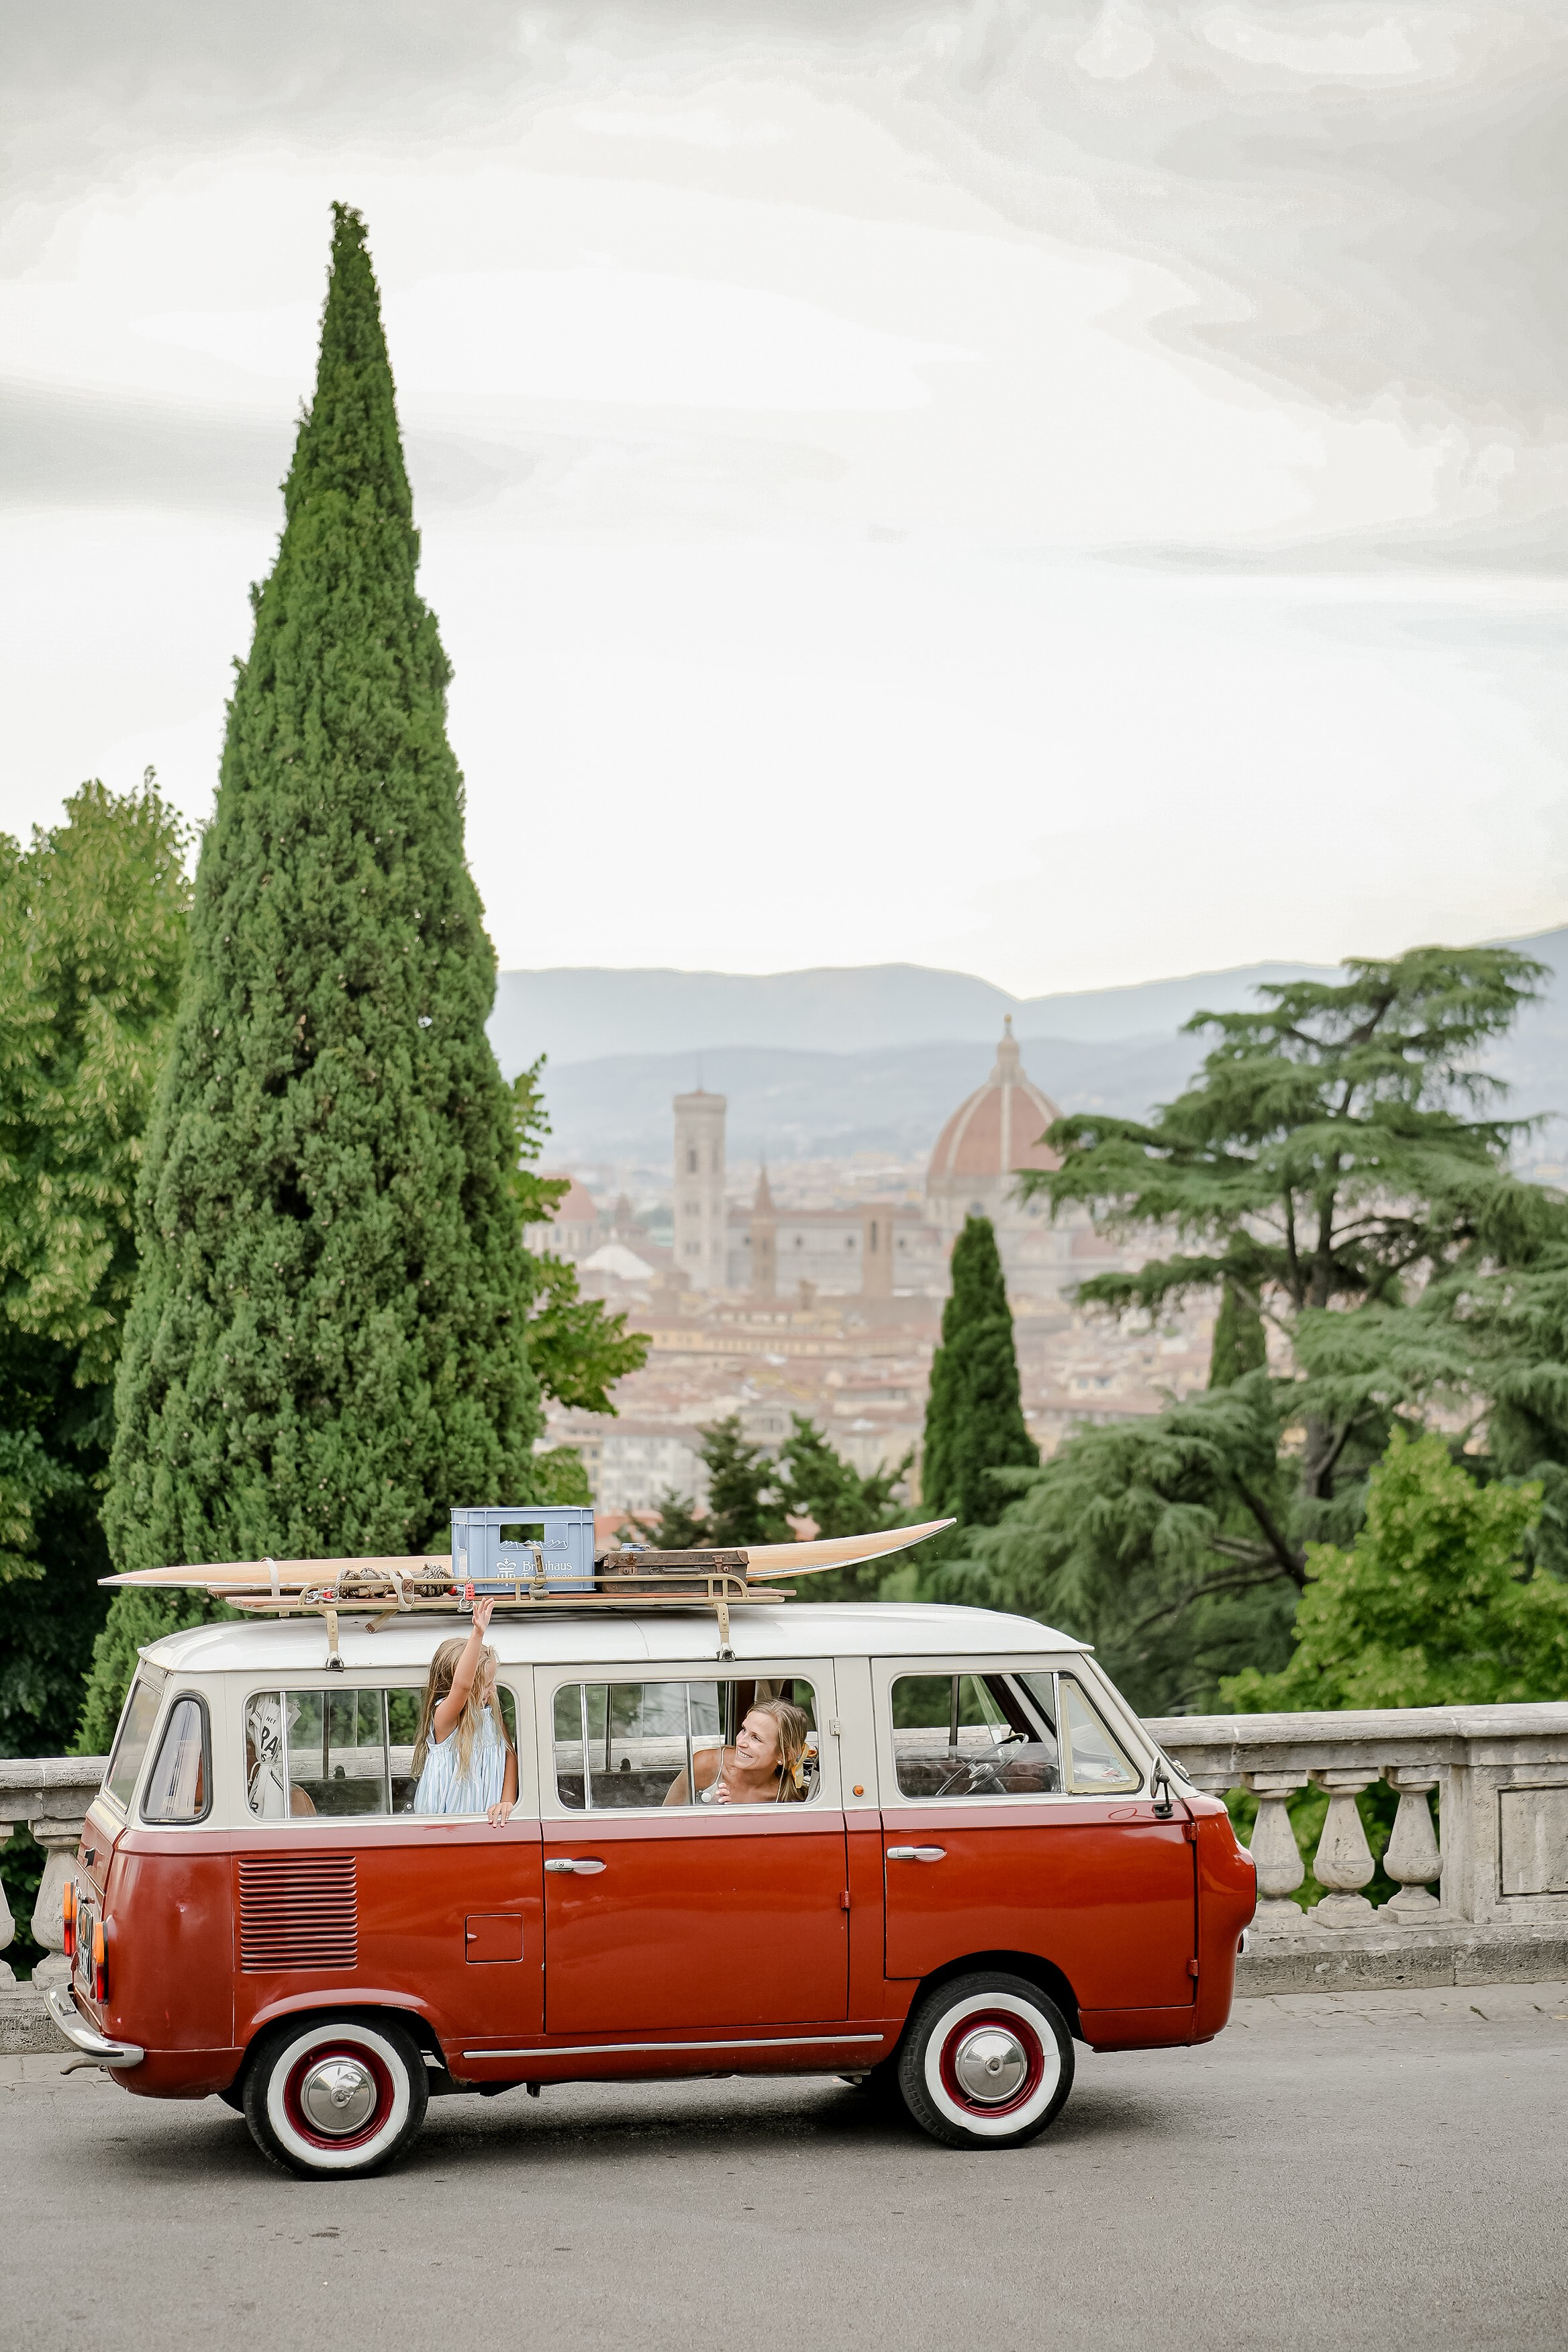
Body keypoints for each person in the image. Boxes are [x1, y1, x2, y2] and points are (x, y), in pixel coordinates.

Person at [411, 1598, 518, 1823]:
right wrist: (478, 1634)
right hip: (444, 1824)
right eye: (486, 1684)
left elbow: (509, 1753)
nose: (493, 1689)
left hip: (484, 1820)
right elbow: (463, 1686)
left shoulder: (489, 1710)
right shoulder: (444, 1718)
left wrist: (508, 1801)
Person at [663, 1697, 812, 1807]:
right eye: (744, 1730)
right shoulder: (705, 1765)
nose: (740, 1742)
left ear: (784, 1755)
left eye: (756, 1738)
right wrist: (707, 1812)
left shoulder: (791, 1799)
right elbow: (665, 1821)